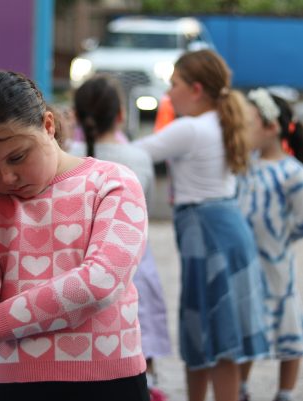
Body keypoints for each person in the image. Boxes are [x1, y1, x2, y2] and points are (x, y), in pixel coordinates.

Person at [0, 70, 150, 401]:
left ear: (48, 125)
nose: (8, 177)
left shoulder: (112, 182)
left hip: (107, 382)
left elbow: (100, 282)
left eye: (17, 157)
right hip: (11, 386)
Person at [133, 49, 269, 401]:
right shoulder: (219, 121)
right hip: (223, 227)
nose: (167, 92)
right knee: (213, 328)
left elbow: (134, 154)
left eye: (173, 84)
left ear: (195, 89)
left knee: (216, 333)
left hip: (206, 230)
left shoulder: (190, 129)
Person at [71, 74, 172, 401]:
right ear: (120, 115)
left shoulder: (64, 153)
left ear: (74, 114)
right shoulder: (137, 159)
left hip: (74, 264)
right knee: (139, 330)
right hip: (133, 266)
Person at [237, 88, 303, 401]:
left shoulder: (292, 173)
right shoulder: (244, 165)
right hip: (245, 262)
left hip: (276, 263)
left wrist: (282, 237)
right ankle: (241, 386)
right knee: (246, 324)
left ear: (271, 127)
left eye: (248, 124)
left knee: (287, 324)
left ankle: (286, 392)